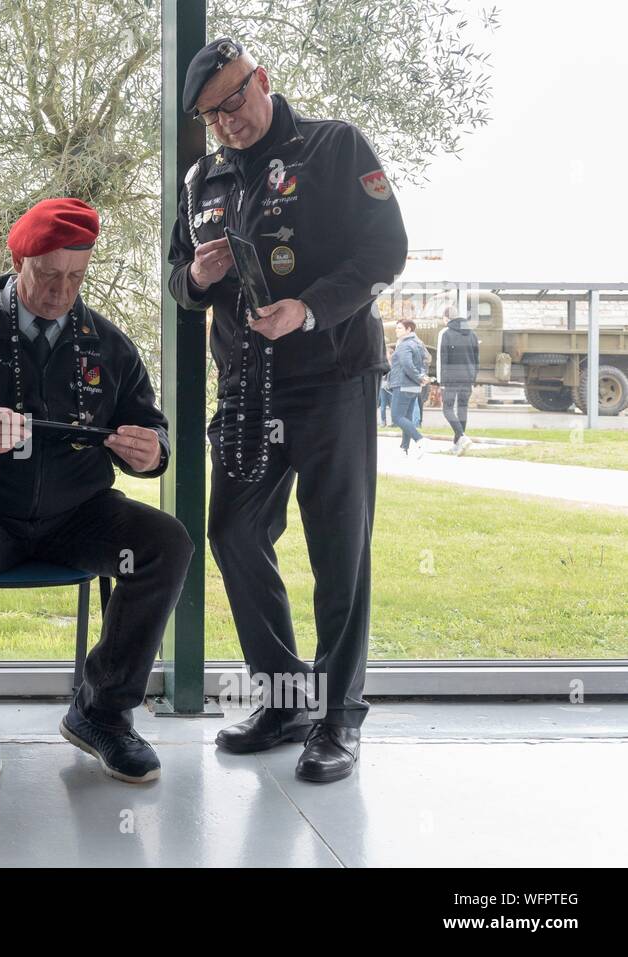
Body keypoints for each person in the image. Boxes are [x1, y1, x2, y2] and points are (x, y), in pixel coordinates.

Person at [167, 38, 408, 783]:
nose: (227, 121)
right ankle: (283, 697)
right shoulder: (202, 177)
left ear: (261, 80)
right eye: (212, 114)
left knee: (339, 546)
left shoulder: (334, 149)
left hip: (333, 375)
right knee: (233, 531)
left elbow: (385, 252)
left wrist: (308, 309)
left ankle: (338, 716)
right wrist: (197, 278)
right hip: (247, 384)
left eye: (234, 100)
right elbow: (175, 276)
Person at [0, 198, 193, 785]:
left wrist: (153, 451)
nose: (62, 291)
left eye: (76, 277)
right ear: (18, 260)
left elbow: (150, 426)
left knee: (167, 542)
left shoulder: (107, 344)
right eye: (49, 275)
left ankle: (101, 712)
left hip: (79, 513)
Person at [436, 306, 479, 453]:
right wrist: (473, 378)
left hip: (451, 378)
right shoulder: (472, 334)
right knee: (462, 409)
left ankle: (462, 436)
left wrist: (441, 381)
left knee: (447, 408)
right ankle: (457, 445)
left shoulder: (446, 333)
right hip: (468, 377)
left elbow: (443, 359)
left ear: (447, 318)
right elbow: (476, 359)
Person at [390, 319, 430, 458]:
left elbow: (406, 365)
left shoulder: (404, 345)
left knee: (396, 417)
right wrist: (422, 377)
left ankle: (420, 439)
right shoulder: (419, 344)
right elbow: (426, 362)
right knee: (406, 417)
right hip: (414, 387)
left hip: (403, 385)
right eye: (397, 328)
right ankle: (404, 449)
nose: (396, 330)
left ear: (409, 330)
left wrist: (419, 378)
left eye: (400, 328)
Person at [378, 344, 395, 427]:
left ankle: (393, 422)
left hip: (391, 387)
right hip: (383, 387)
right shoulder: (384, 363)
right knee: (383, 405)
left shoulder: (394, 364)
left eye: (387, 353)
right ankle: (383, 421)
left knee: (392, 405)